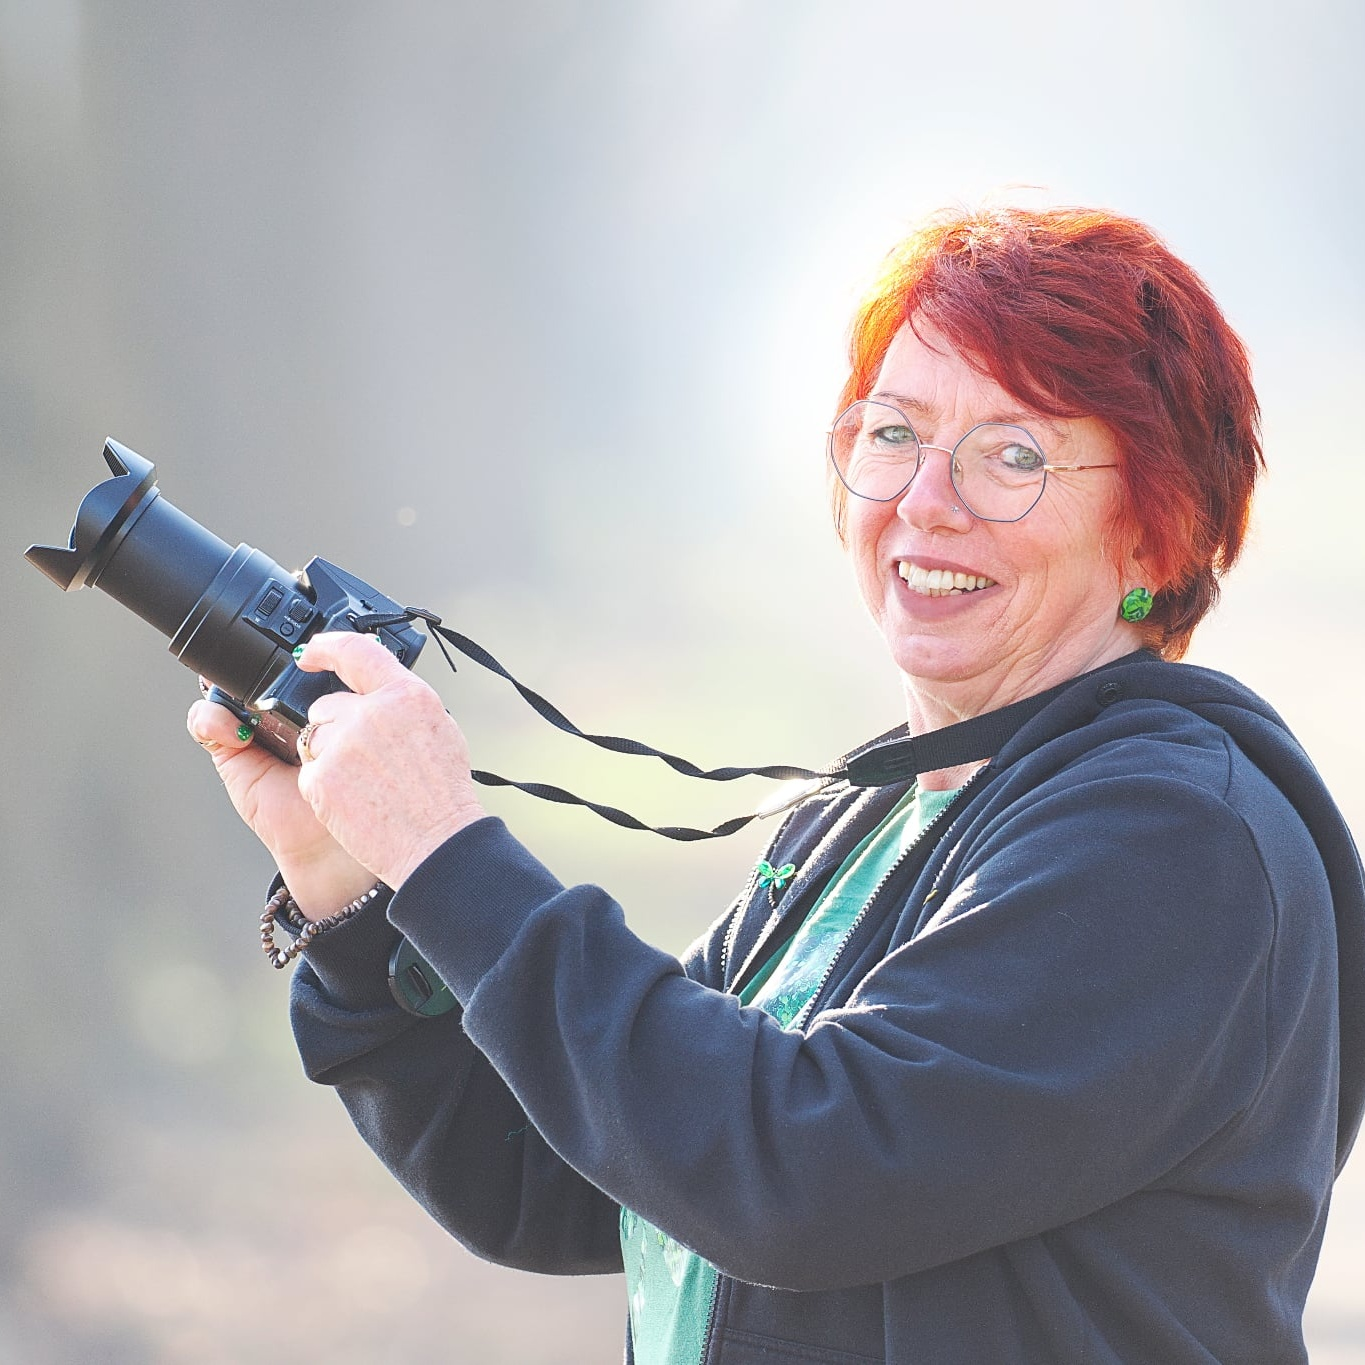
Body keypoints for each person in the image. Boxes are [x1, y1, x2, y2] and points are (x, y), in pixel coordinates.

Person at [188, 204, 1365, 1364]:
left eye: (1015, 455)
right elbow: (554, 1173)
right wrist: (354, 893)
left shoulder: (1175, 841)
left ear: (1158, 535)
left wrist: (450, 854)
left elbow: (799, 1174)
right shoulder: (875, 820)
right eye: (894, 433)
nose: (925, 501)